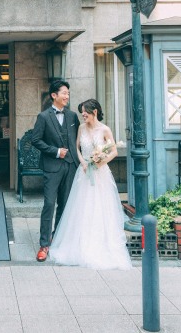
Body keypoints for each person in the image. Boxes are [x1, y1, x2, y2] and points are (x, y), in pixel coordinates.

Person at [49, 98, 132, 269]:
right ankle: (80, 243)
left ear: (94, 112)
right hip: (84, 172)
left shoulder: (105, 129)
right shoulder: (81, 128)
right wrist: (84, 162)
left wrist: (100, 162)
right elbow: (76, 148)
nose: (83, 115)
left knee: (100, 207)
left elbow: (113, 151)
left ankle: (99, 243)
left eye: (85, 112)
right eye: (82, 113)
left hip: (100, 174)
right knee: (82, 207)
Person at [31, 79, 80, 262]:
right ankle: (44, 244)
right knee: (49, 204)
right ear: (54, 95)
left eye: (68, 93)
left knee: (65, 204)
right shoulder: (43, 117)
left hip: (71, 166)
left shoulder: (73, 116)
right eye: (64, 93)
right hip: (52, 167)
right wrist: (56, 151)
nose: (67, 96)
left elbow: (78, 140)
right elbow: (36, 140)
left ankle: (57, 237)